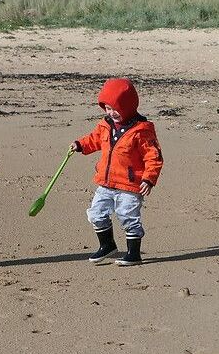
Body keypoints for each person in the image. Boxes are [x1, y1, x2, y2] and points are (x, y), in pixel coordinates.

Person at [70, 78, 163, 266]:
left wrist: (148, 179)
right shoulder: (105, 125)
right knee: (96, 213)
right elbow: (94, 140)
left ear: (128, 106)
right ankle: (107, 245)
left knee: (128, 217)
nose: (111, 113)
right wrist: (80, 145)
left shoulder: (141, 130)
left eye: (115, 108)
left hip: (129, 185)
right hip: (105, 182)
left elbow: (153, 157)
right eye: (107, 108)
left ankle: (133, 253)